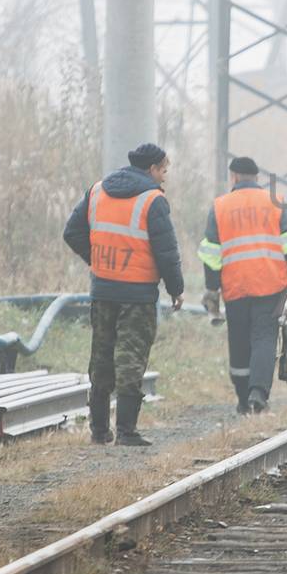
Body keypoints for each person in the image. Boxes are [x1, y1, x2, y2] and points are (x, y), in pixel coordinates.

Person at [62, 143, 185, 446]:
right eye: (163, 170)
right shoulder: (152, 200)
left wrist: (98, 260)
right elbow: (166, 252)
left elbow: (71, 232)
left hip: (103, 289)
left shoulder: (97, 191)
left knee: (101, 357)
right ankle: (127, 432)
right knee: (130, 359)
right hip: (138, 294)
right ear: (152, 168)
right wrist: (176, 289)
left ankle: (99, 430)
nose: (164, 177)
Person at [199, 156, 287, 415]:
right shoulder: (276, 202)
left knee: (238, 339)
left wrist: (212, 288)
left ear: (234, 177)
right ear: (256, 178)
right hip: (271, 283)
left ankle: (241, 398)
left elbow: (211, 253)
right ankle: (258, 392)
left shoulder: (220, 206)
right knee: (264, 337)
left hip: (235, 285)